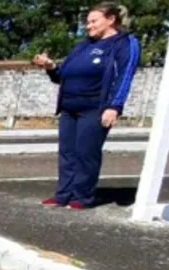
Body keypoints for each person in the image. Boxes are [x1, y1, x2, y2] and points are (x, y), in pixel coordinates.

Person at [32, 2, 141, 210]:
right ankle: (63, 194)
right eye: (87, 22)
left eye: (93, 21)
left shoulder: (124, 43)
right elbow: (62, 75)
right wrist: (51, 67)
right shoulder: (83, 46)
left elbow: (125, 76)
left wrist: (114, 106)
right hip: (69, 107)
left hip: (95, 108)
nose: (88, 26)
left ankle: (82, 197)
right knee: (67, 153)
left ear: (111, 20)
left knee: (86, 153)